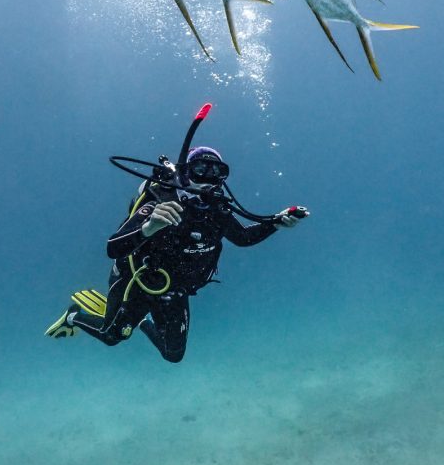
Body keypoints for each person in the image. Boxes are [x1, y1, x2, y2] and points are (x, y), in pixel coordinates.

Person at [45, 108, 309, 363]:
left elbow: (243, 238)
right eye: (201, 170)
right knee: (112, 335)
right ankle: (74, 316)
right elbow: (113, 248)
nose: (209, 179)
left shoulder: (217, 211)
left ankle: (142, 322)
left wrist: (275, 223)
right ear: (184, 172)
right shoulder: (160, 201)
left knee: (173, 355)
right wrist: (148, 228)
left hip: (176, 290)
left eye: (218, 172)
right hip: (137, 282)